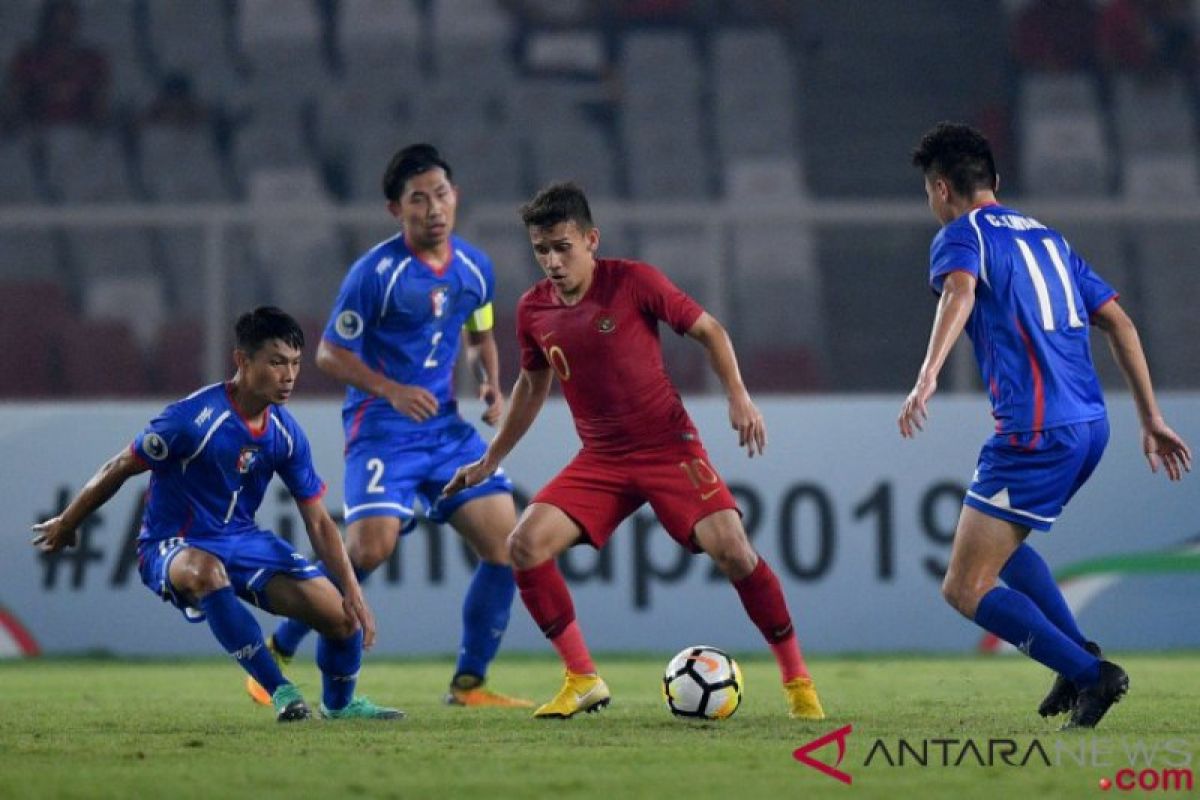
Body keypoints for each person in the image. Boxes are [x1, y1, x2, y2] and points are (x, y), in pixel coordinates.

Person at [443, 182, 826, 720]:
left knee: (735, 552)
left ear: (591, 240)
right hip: (601, 458)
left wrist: (738, 396)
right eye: (541, 249)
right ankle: (581, 678)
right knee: (524, 545)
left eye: (562, 246)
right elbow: (532, 385)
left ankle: (797, 681)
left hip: (668, 447)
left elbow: (710, 331)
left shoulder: (633, 281)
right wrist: (490, 458)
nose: (552, 261)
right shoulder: (533, 310)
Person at [900, 122, 1192, 729]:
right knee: (1003, 552)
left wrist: (928, 373)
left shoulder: (961, 234)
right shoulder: (1051, 240)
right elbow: (1123, 325)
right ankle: (1075, 655)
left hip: (1035, 434)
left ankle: (1093, 675)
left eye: (931, 193)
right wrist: (1152, 418)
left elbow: (958, 292)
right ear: (997, 183)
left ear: (941, 188)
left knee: (963, 586)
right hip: (1091, 427)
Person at [250, 144, 531, 709]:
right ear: (394, 210)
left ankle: (469, 683)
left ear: (457, 198)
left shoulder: (476, 268)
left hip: (445, 430)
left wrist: (489, 383)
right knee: (369, 549)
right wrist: (392, 391)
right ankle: (283, 645)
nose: (433, 208)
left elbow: (478, 334)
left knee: (509, 545)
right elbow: (329, 353)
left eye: (442, 194)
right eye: (418, 199)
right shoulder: (375, 273)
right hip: (381, 426)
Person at [30, 307, 402, 722]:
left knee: (340, 616)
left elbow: (317, 521)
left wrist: (352, 588)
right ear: (242, 360)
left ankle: (339, 704)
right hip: (173, 543)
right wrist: (67, 523)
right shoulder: (191, 420)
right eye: (276, 362)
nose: (289, 375)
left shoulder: (285, 432)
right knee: (206, 572)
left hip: (243, 540)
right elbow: (118, 467)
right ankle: (280, 690)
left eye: (295, 363)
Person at [2, 0, 110, 129]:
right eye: (57, 22)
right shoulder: (28, 59)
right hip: (34, 135)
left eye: (68, 23)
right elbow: (12, 102)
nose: (62, 29)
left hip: (83, 137)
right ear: (47, 23)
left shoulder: (92, 61)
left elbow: (102, 106)